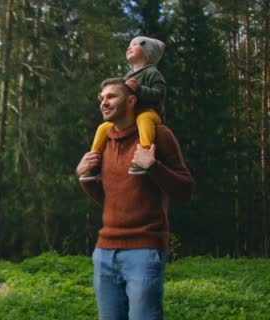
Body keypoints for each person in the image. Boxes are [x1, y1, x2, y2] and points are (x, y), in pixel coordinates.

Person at [76, 78, 194, 320]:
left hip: (144, 250)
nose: (104, 103)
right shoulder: (104, 141)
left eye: (112, 97)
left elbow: (186, 191)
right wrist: (84, 177)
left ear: (131, 101)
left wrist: (153, 166)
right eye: (102, 98)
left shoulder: (159, 136)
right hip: (104, 252)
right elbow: (112, 199)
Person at [80, 36, 167, 181]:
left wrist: (139, 89)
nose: (130, 47)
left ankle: (143, 155)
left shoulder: (152, 72)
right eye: (129, 45)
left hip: (150, 113)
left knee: (144, 119)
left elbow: (160, 94)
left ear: (148, 52)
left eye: (135, 45)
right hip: (130, 115)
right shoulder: (128, 75)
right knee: (103, 127)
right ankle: (93, 163)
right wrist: (107, 97)